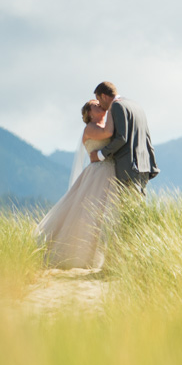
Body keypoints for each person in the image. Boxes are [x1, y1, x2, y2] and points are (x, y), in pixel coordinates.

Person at [34, 100, 116, 269]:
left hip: (108, 172)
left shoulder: (102, 124)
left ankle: (101, 258)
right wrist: (115, 108)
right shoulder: (91, 128)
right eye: (95, 105)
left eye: (100, 104)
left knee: (104, 216)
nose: (100, 106)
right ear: (90, 113)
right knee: (89, 215)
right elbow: (109, 133)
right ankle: (79, 257)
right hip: (97, 174)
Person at [89, 81, 158, 195]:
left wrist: (100, 155)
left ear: (104, 96)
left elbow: (122, 138)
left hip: (129, 167)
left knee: (129, 208)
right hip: (144, 165)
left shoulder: (117, 106)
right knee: (138, 206)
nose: (100, 105)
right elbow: (146, 136)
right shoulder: (135, 106)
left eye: (99, 100)